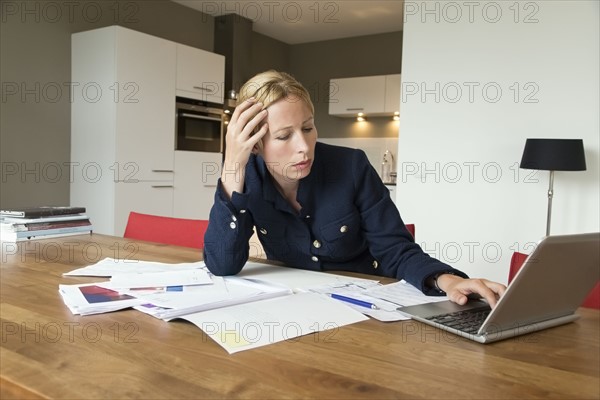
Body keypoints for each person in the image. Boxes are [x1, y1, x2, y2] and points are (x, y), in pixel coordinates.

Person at [203, 70, 506, 307]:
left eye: (308, 128)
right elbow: (223, 265)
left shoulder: (351, 166)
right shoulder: (247, 177)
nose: (304, 148)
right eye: (284, 136)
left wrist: (446, 280)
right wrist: (232, 165)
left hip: (366, 307)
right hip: (293, 307)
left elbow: (395, 250)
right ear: (255, 144)